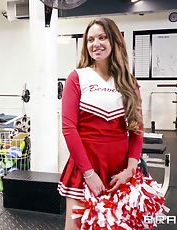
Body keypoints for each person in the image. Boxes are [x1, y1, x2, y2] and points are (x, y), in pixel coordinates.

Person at [57, 18, 143, 229]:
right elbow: (69, 128)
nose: (96, 43)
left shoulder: (128, 81)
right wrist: (89, 173)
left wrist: (130, 170)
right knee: (76, 226)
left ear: (114, 41)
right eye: (91, 39)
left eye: (102, 37)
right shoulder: (77, 77)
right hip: (85, 170)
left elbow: (136, 129)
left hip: (120, 172)